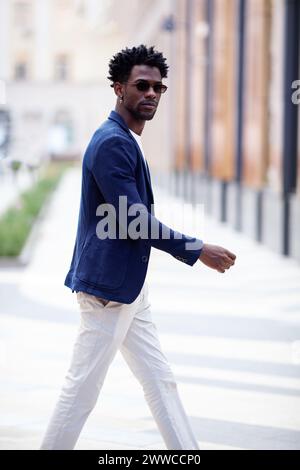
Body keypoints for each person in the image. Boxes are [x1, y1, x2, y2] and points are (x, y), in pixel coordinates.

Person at [40, 45, 236, 450]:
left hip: (129, 289)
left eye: (158, 88)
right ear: (118, 88)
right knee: (81, 392)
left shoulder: (124, 138)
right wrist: (198, 249)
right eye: (141, 86)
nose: (151, 94)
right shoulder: (112, 142)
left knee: (160, 381)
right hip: (108, 294)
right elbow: (133, 220)